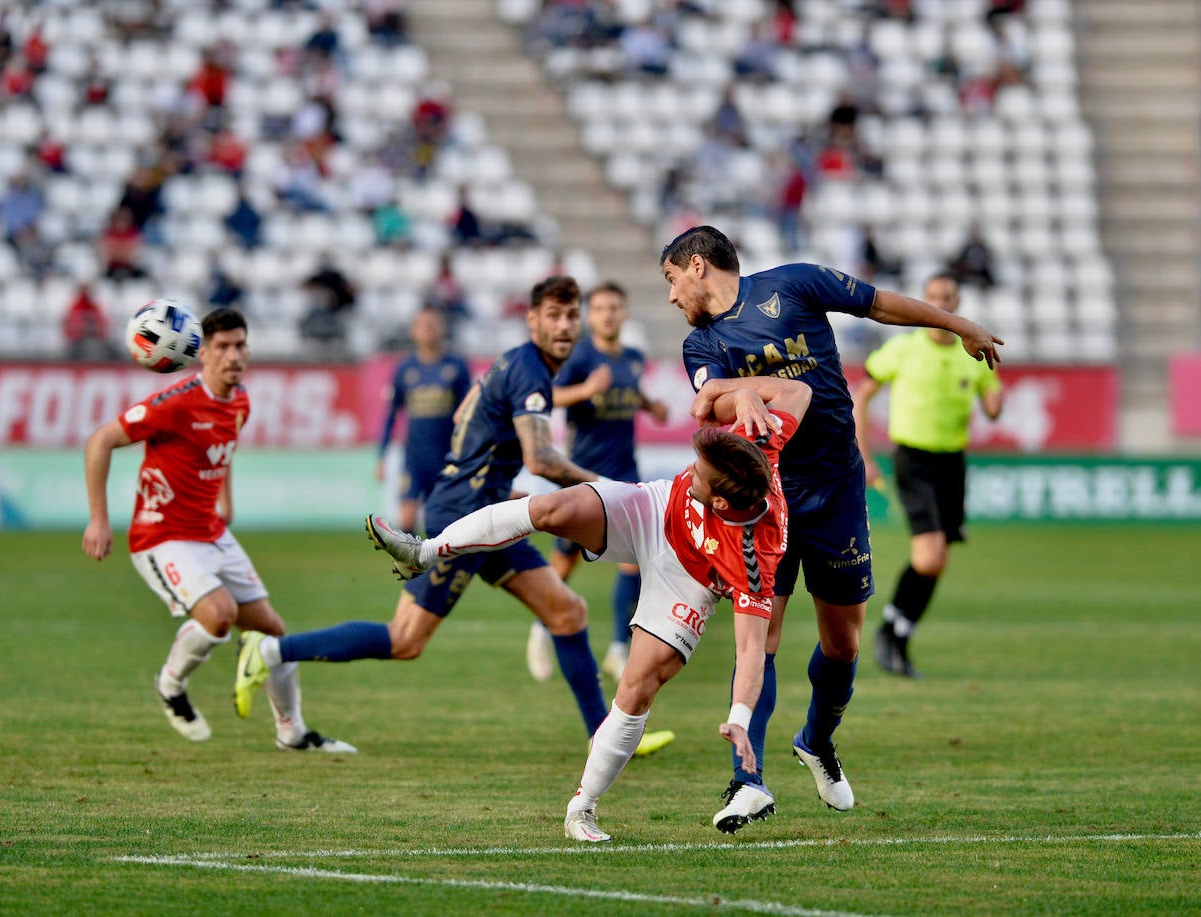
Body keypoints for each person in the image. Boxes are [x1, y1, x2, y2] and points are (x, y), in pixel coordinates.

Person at [233, 277, 674, 756]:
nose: (565, 325)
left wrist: (491, 483)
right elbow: (542, 459)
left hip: (484, 507)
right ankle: (271, 651)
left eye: (571, 315)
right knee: (405, 639)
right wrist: (607, 491)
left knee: (567, 612)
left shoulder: (517, 364)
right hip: (467, 516)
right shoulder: (529, 370)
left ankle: (605, 738)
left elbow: (471, 419)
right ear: (532, 320)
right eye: (554, 315)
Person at [369, 375, 811, 842]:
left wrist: (740, 719)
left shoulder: (756, 556)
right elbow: (798, 392)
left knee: (638, 687)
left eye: (699, 471)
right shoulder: (758, 440)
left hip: (688, 580)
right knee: (554, 509)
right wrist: (739, 392)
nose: (692, 465)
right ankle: (424, 552)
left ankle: (582, 809)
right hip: (656, 509)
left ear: (720, 501)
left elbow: (750, 650)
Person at [660, 225, 1001, 827]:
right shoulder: (702, 343)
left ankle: (817, 740)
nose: (670, 297)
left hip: (836, 489)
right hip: (764, 500)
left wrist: (955, 323)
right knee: (760, 639)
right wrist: (736, 394)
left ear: (696, 266)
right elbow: (703, 399)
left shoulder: (794, 284)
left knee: (842, 645)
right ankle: (747, 779)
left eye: (670, 281)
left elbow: (879, 303)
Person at [81, 308, 353, 753]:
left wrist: (225, 498)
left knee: (273, 633)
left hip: (210, 531)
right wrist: (98, 517)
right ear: (201, 353)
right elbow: (100, 440)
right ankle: (170, 684)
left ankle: (293, 733)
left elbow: (218, 450)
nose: (233, 355)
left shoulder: (239, 400)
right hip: (161, 536)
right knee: (219, 615)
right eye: (223, 347)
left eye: (240, 345)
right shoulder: (174, 403)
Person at [853, 274, 1004, 678]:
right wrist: (863, 455)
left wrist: (996, 398)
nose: (940, 303)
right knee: (930, 554)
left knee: (937, 562)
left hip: (952, 463)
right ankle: (890, 632)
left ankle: (898, 634)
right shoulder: (902, 349)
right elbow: (861, 395)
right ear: (925, 302)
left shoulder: (969, 350)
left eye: (947, 297)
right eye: (933, 297)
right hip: (913, 459)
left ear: (956, 303)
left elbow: (992, 407)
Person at [525, 281, 670, 685]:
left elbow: (632, 392)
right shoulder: (580, 356)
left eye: (614, 307)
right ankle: (541, 630)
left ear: (624, 314)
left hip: (625, 475)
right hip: (581, 478)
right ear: (591, 316)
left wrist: (651, 406)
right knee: (564, 563)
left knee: (637, 562)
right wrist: (587, 389)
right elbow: (548, 396)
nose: (607, 314)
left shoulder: (633, 359)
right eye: (601, 308)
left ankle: (619, 650)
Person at [377, 306, 471, 534]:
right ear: (413, 331)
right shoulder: (405, 368)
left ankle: (436, 570)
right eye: (423, 325)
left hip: (446, 458)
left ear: (442, 329)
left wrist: (468, 455)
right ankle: (414, 571)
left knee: (440, 526)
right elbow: (391, 415)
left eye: (433, 324)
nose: (428, 330)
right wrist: (382, 457)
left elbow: (469, 415)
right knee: (406, 523)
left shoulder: (456, 366)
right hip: (415, 458)